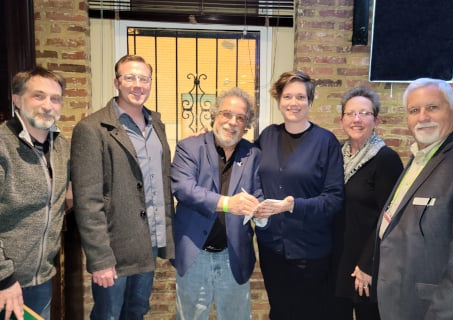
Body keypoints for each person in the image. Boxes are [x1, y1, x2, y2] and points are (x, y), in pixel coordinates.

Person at [71, 55, 174, 319]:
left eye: (144, 78)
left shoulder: (156, 126)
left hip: (148, 243)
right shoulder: (93, 129)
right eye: (130, 77)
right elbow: (88, 201)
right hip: (114, 249)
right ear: (117, 82)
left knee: (137, 311)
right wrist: (100, 258)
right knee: (108, 315)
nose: (137, 84)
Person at [373, 78, 453, 319]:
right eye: (414, 110)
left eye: (432, 107)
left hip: (431, 310)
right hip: (401, 302)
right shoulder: (421, 157)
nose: (422, 117)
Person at [253, 70, 344, 319]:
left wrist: (294, 205)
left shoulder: (326, 142)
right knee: (279, 312)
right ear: (279, 100)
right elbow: (253, 179)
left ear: (310, 102)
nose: (294, 103)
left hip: (310, 251)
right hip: (272, 247)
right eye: (288, 96)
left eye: (301, 97)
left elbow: (334, 198)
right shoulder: (267, 136)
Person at [171, 87, 262, 320]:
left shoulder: (253, 154)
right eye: (226, 114)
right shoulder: (189, 147)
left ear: (246, 124)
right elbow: (183, 189)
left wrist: (262, 213)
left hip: (233, 256)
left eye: (240, 118)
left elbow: (258, 194)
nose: (232, 122)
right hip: (194, 254)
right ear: (215, 116)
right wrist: (227, 203)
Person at [0, 67, 70, 320]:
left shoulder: (62, 147)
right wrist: (4, 279)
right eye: (38, 96)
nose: (48, 105)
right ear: (17, 100)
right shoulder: (2, 144)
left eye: (55, 98)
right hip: (5, 281)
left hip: (40, 278)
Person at [331, 87, 403, 320]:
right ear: (342, 120)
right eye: (351, 113)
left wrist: (368, 264)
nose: (357, 119)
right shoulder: (335, 156)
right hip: (337, 260)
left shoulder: (386, 159)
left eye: (365, 113)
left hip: (366, 264)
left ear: (376, 120)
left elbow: (390, 217)